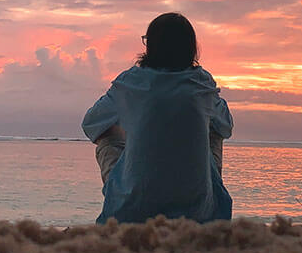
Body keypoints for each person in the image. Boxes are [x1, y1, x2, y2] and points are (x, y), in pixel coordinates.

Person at [82, 13, 233, 224]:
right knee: (214, 131)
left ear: (150, 46)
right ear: (191, 48)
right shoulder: (202, 84)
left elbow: (91, 124)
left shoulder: (130, 83)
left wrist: (132, 129)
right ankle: (204, 202)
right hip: (197, 216)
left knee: (106, 134)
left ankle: (131, 193)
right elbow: (225, 126)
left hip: (132, 214)